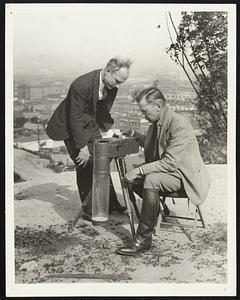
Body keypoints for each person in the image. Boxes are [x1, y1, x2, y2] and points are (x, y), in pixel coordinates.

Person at [116, 86, 211, 256]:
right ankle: (156, 207)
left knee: (150, 179)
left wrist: (140, 170)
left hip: (186, 177)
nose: (143, 115)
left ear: (158, 106)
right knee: (130, 179)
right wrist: (134, 134)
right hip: (173, 173)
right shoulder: (157, 122)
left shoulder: (178, 125)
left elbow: (169, 163)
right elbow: (155, 143)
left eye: (145, 111)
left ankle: (143, 239)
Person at [46, 57, 132, 221]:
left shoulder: (111, 86)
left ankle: (111, 204)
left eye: (121, 82)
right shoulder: (81, 85)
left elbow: (101, 110)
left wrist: (112, 129)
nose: (118, 85)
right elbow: (75, 119)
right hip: (70, 125)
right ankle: (89, 211)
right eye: (117, 80)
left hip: (88, 122)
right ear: (108, 70)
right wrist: (82, 147)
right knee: (85, 164)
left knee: (102, 160)